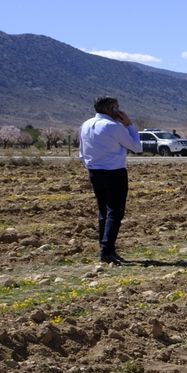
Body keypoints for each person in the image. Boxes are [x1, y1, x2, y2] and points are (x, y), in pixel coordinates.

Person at [77, 96, 140, 264]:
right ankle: (106, 251)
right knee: (115, 211)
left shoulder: (86, 125)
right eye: (116, 107)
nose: (119, 110)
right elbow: (136, 147)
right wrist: (129, 125)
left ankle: (106, 248)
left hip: (94, 172)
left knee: (103, 211)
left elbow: (82, 153)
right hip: (114, 172)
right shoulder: (113, 126)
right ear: (108, 109)